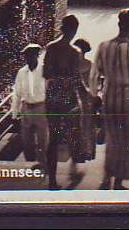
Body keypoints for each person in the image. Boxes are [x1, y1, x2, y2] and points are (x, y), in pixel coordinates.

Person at [89, 10, 129, 190]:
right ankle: (119, 179)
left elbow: (94, 74)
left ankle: (107, 175)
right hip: (128, 95)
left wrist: (95, 95)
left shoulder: (104, 46)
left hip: (109, 93)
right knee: (126, 138)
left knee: (112, 136)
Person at [42, 15, 85, 189]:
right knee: (74, 134)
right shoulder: (75, 52)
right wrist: (87, 93)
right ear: (74, 30)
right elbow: (76, 79)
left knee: (53, 139)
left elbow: (46, 74)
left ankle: (52, 179)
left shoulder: (51, 48)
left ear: (61, 28)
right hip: (69, 99)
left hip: (52, 98)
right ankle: (74, 171)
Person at [11, 43, 48, 172]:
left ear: (37, 55)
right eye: (26, 56)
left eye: (31, 55)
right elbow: (17, 93)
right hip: (26, 108)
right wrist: (14, 114)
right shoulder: (21, 72)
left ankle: (43, 168)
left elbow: (50, 90)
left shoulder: (45, 70)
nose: (28, 58)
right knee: (27, 142)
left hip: (41, 107)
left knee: (43, 141)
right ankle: (30, 166)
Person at [73, 38, 97, 165]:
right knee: (76, 126)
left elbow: (94, 84)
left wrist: (92, 97)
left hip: (87, 99)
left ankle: (87, 152)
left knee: (87, 125)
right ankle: (78, 152)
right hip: (74, 98)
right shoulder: (72, 65)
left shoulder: (90, 65)